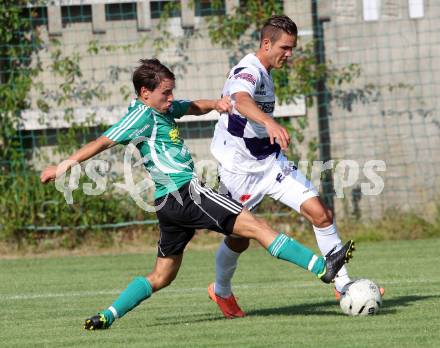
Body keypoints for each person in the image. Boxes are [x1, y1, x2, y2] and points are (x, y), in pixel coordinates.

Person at [40, 58, 354, 330]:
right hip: (187, 193)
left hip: (167, 205)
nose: (171, 97)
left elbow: (190, 106)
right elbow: (102, 142)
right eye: (165, 93)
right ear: (145, 93)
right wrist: (62, 166)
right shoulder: (139, 116)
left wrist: (215, 105)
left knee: (162, 276)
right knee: (258, 229)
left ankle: (107, 315)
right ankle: (322, 268)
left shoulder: (160, 109)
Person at [208, 15, 381, 319]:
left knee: (320, 213)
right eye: (285, 48)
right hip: (239, 171)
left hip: (270, 163)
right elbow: (240, 99)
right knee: (238, 239)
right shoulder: (248, 70)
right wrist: (268, 120)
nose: (289, 54)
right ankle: (221, 290)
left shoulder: (266, 70)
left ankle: (343, 285)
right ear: (266, 43)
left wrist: (266, 125)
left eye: (292, 48)